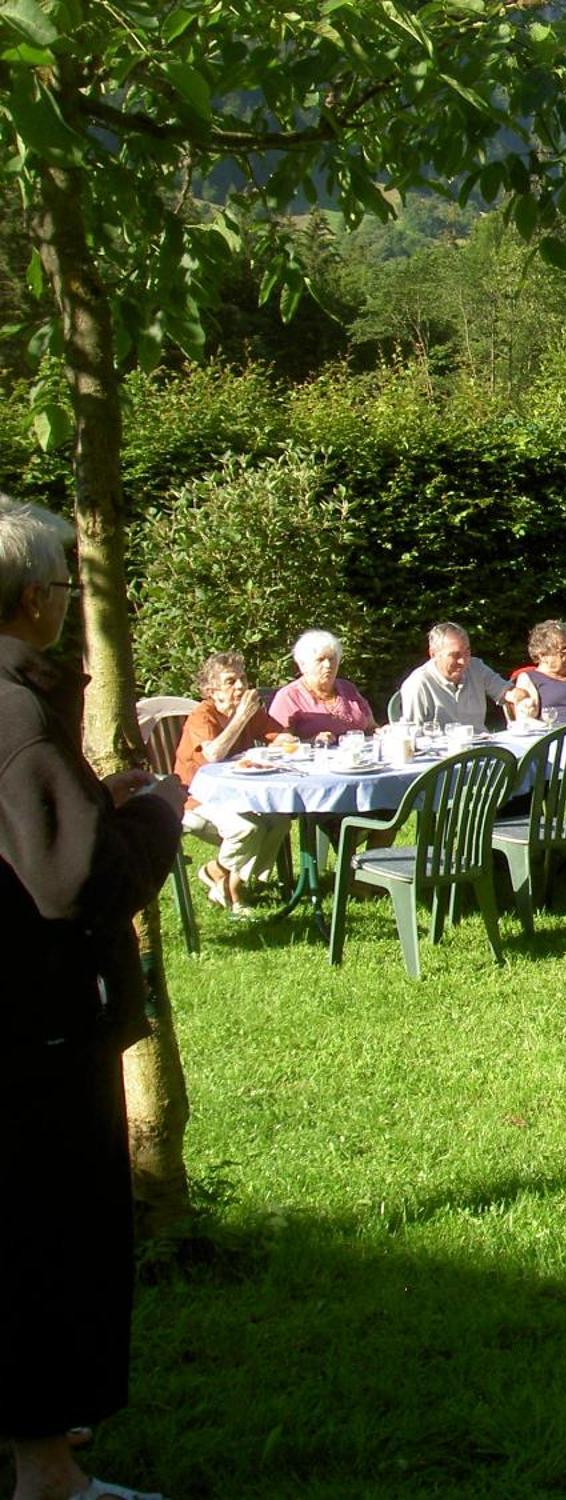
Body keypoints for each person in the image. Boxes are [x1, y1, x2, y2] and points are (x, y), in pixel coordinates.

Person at [0, 496, 185, 1500]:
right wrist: (156, 810)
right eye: (67, 585)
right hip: (35, 1030)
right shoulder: (18, 708)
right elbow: (80, 884)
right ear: (34, 600)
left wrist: (85, 801)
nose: (72, 600)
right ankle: (49, 1476)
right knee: (48, 1242)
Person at [172, 650, 290, 915]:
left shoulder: (249, 711)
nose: (240, 686)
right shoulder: (202, 716)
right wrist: (241, 717)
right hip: (198, 799)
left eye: (243, 679)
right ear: (211, 690)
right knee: (248, 829)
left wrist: (292, 742)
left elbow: (280, 735)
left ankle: (220, 875)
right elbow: (212, 755)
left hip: (238, 796)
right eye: (230, 681)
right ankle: (236, 891)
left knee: (280, 820)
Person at [396, 621, 526, 729]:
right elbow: (411, 734)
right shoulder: (418, 684)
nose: (463, 661)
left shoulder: (476, 668)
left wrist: (524, 699)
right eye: (455, 655)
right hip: (443, 757)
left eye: (467, 652)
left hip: (480, 750)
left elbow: (507, 692)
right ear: (433, 654)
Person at [269, 629, 375, 742]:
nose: (328, 665)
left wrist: (384, 732)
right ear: (303, 665)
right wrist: (311, 741)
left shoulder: (348, 688)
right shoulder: (289, 696)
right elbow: (277, 744)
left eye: (332, 658)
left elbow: (372, 727)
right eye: (320, 660)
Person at [511, 619, 566, 723]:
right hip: (561, 735)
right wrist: (527, 708)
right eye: (563, 650)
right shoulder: (530, 678)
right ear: (542, 655)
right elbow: (526, 718)